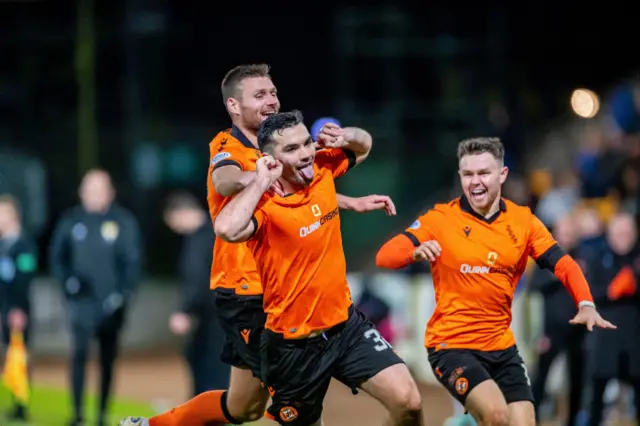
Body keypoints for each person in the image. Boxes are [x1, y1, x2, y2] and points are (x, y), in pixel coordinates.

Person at [120, 64, 396, 426]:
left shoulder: (286, 143)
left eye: (273, 92)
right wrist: (264, 177)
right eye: (260, 95)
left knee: (243, 407)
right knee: (297, 404)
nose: (272, 100)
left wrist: (347, 186)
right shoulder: (227, 146)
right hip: (247, 293)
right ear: (234, 105)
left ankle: (153, 425)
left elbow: (345, 160)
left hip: (284, 292)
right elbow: (224, 180)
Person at [375, 137, 615, 426]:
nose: (475, 182)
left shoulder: (523, 221)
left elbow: (564, 265)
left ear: (502, 175)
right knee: (495, 415)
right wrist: (413, 252)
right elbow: (384, 257)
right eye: (468, 174)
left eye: (483, 173)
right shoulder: (440, 219)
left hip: (502, 348)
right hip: (451, 346)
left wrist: (586, 302)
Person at [214, 110, 422, 426]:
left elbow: (364, 145)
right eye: (291, 149)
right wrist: (259, 181)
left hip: (346, 327)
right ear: (270, 159)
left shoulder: (323, 168)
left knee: (408, 402)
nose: (305, 154)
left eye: (306, 144)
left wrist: (346, 135)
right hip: (293, 346)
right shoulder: (264, 202)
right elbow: (227, 228)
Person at [49, 169, 142, 426]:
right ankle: (77, 414)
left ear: (110, 192)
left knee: (107, 360)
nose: (94, 195)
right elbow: (57, 257)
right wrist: (68, 281)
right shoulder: (71, 220)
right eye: (89, 189)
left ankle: (101, 415)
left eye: (100, 189)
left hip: (111, 307)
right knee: (78, 355)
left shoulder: (123, 221)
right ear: (82, 192)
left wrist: (123, 294)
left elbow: (132, 262)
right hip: (81, 305)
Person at [163, 191, 230, 395]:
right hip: (220, 309)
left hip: (215, 312)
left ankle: (211, 407)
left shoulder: (200, 238)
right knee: (197, 354)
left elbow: (197, 278)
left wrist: (185, 310)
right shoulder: (215, 231)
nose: (176, 230)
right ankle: (204, 403)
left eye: (173, 223)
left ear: (181, 213)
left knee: (211, 363)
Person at [529, 215, 587, 426]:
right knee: (540, 378)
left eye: (571, 233)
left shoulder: (584, 257)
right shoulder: (545, 257)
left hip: (579, 330)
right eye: (564, 233)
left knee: (577, 379)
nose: (567, 237)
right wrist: (561, 272)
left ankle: (573, 420)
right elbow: (534, 284)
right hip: (551, 331)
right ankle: (530, 419)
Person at [583, 212, 640, 426]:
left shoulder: (637, 259)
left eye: (628, 232)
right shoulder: (597, 258)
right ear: (610, 234)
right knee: (596, 399)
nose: (624, 237)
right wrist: (611, 291)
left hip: (635, 342)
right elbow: (586, 293)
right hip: (605, 341)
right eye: (619, 232)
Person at [0, 194, 38, 421]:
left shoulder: (25, 245)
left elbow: (25, 279)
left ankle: (22, 405)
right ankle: (15, 402)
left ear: (13, 217)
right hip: (5, 308)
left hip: (18, 311)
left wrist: (18, 309)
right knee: (9, 356)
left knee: (20, 356)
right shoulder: (3, 245)